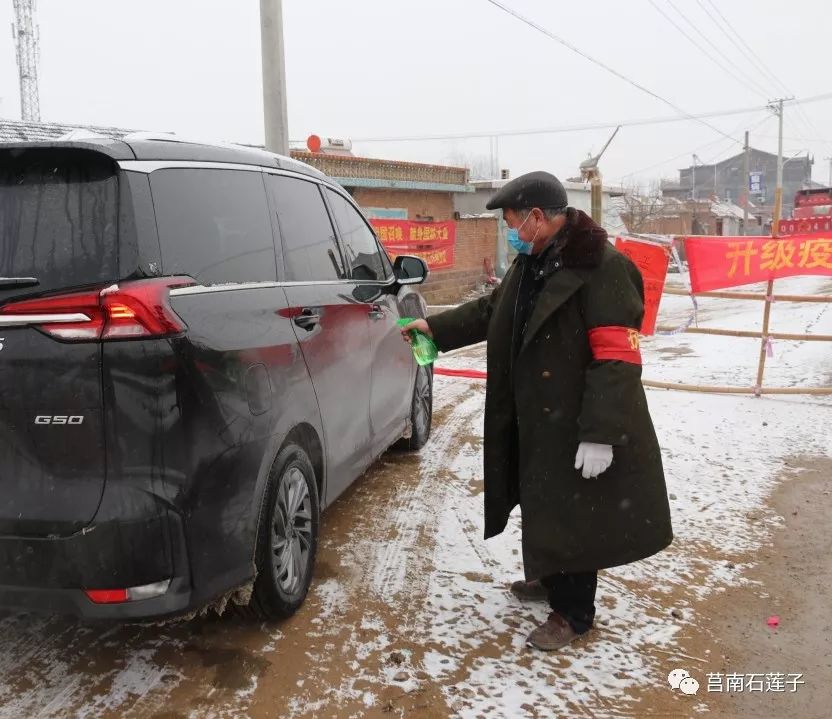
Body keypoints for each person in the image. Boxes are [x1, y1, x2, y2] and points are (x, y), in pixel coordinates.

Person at [401, 171, 673, 651]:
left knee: (574, 514)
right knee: (543, 502)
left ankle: (573, 613)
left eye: (512, 222)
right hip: (536, 416)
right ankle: (550, 576)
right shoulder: (534, 260)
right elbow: (492, 310)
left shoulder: (603, 267)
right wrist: (435, 328)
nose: (511, 233)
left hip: (576, 419)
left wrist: (601, 432)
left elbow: (617, 356)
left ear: (536, 218)